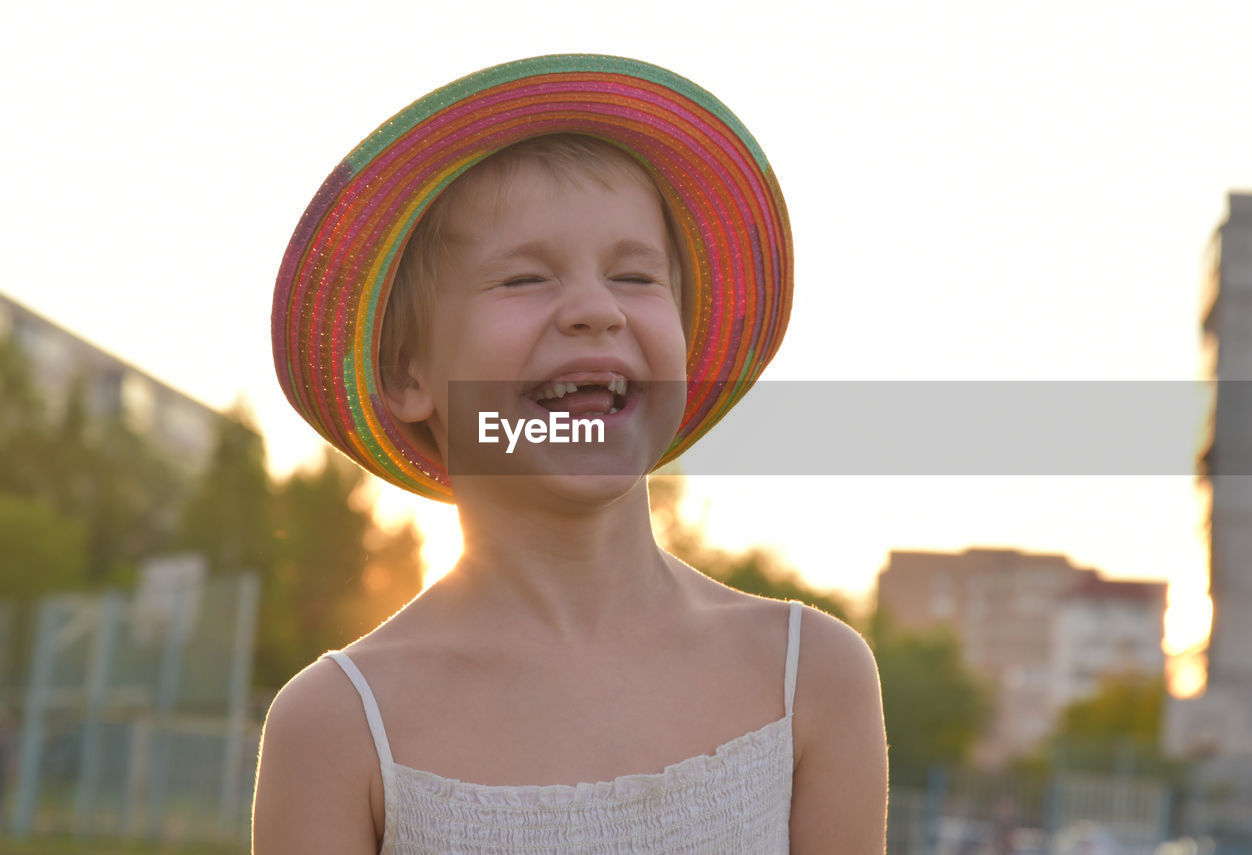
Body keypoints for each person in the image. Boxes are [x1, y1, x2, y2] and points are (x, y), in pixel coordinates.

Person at [253, 54, 887, 854]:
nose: (596, 310)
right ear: (409, 374)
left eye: (634, 276)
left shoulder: (811, 675)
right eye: (524, 278)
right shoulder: (338, 725)